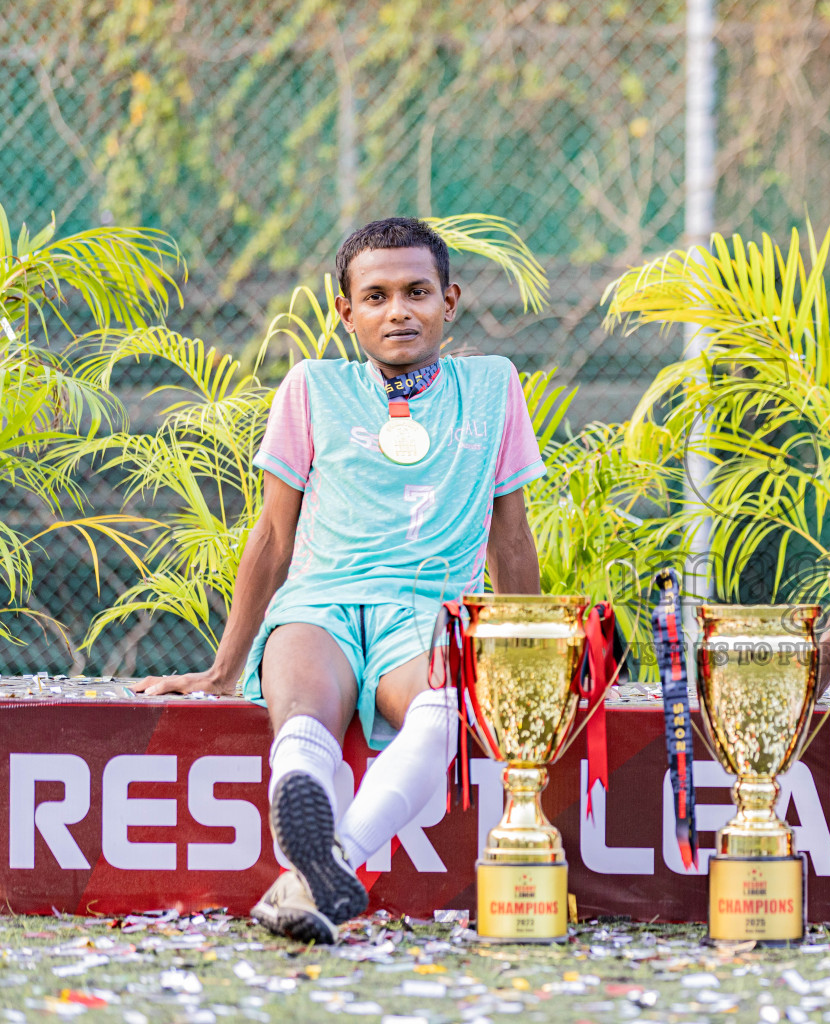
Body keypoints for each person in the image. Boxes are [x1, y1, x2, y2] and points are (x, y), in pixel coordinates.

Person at [135, 217, 545, 943]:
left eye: (418, 292)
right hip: (318, 606)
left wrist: (524, 655)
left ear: (450, 301)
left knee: (442, 713)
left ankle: (324, 868)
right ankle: (320, 855)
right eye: (377, 295)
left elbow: (510, 536)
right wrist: (224, 669)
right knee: (303, 716)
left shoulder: (492, 387)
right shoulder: (312, 387)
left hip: (427, 612)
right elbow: (271, 537)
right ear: (345, 311)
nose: (400, 311)